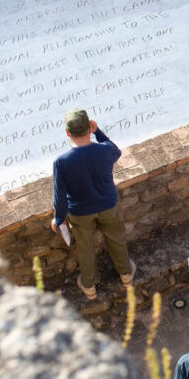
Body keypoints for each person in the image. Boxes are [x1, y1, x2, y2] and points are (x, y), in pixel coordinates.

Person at [50, 108, 134, 300]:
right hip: (108, 205)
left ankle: (89, 286)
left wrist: (58, 219)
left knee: (85, 247)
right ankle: (126, 275)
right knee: (116, 238)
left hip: (80, 211)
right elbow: (115, 150)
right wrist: (98, 132)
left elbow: (59, 195)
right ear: (89, 127)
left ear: (67, 133)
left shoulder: (61, 162)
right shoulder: (104, 150)